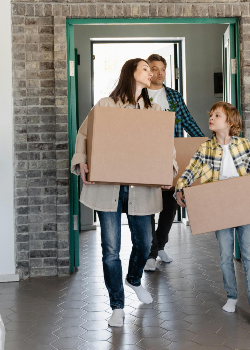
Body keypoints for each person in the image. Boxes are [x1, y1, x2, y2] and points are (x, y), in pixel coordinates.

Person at [70, 58, 178, 328]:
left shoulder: (153, 111)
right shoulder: (105, 105)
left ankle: (133, 279)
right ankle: (116, 305)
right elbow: (84, 135)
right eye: (145, 68)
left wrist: (168, 170)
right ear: (131, 73)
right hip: (108, 189)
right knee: (110, 250)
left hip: (140, 189)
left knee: (143, 243)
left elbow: (166, 146)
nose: (151, 72)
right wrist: (81, 161)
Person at [174, 101, 250, 324]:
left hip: (243, 204)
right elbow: (190, 170)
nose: (211, 118)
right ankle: (232, 297)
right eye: (211, 114)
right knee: (226, 257)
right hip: (219, 206)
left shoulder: (243, 145)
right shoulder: (205, 148)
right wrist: (180, 187)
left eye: (217, 115)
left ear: (230, 122)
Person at [144, 53, 206, 272]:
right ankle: (150, 253)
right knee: (148, 204)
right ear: (147, 70)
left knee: (170, 204)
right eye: (154, 68)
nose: (159, 73)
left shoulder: (173, 96)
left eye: (163, 69)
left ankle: (160, 246)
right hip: (147, 157)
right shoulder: (138, 96)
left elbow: (188, 120)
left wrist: (204, 142)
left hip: (172, 157)